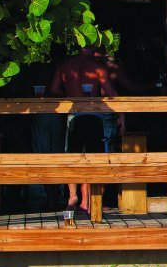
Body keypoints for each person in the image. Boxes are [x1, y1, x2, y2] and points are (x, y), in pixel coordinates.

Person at [49, 46, 122, 213]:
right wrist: (122, 113)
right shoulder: (97, 68)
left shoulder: (66, 66)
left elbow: (54, 90)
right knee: (93, 156)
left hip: (74, 115)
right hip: (94, 115)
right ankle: (86, 201)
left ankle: (73, 196)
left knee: (73, 156)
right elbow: (111, 93)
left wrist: (70, 97)